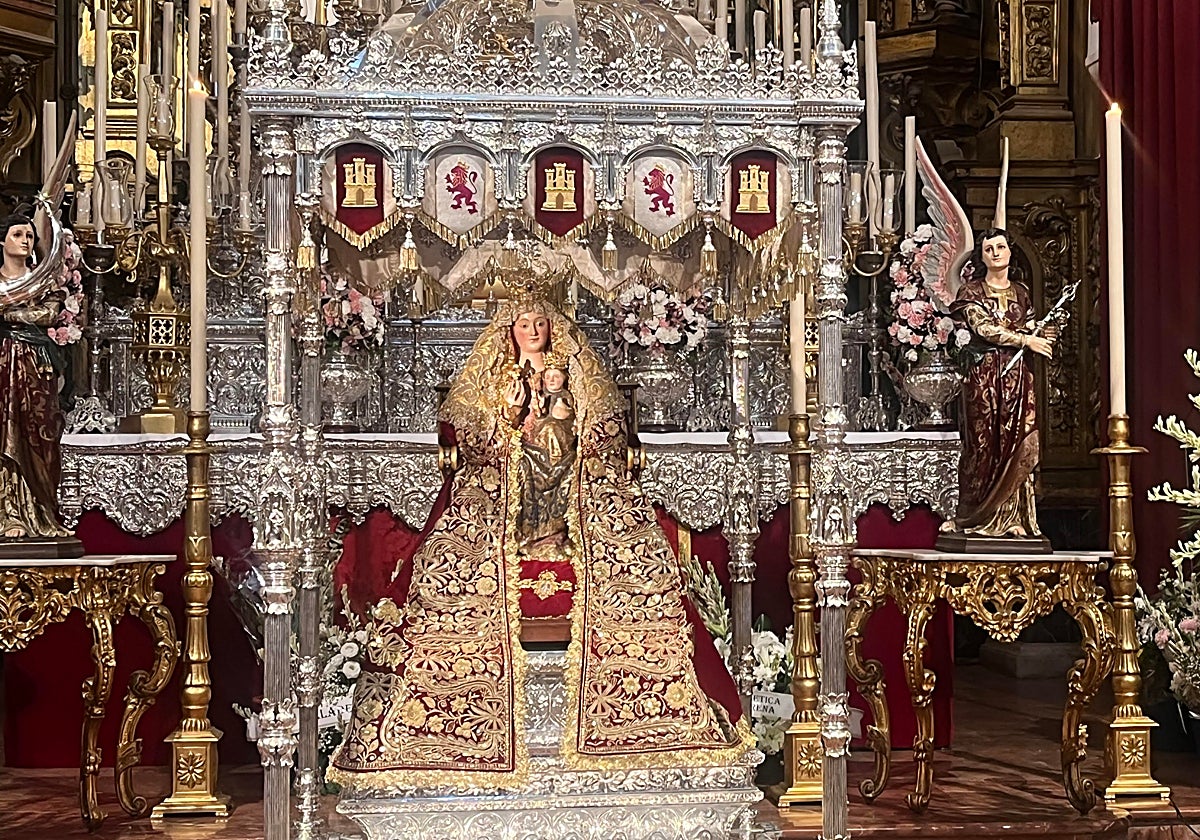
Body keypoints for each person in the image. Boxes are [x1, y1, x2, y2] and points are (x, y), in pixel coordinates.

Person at [329, 282, 750, 790]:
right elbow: (475, 431)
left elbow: (599, 426)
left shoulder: (571, 370)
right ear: (510, 332)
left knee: (559, 457)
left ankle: (556, 535)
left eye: (540, 324)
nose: (533, 332)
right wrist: (511, 425)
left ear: (553, 329)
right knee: (517, 470)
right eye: (524, 325)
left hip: (569, 469)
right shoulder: (496, 374)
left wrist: (564, 429)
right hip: (506, 476)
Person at [942, 228, 1055, 543]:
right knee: (984, 443)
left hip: (1017, 376)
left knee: (1017, 438)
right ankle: (978, 513)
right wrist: (1025, 339)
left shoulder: (1020, 291)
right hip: (985, 377)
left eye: (1001, 247)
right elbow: (983, 328)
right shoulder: (971, 292)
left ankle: (1015, 516)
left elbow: (1030, 322)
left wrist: (1044, 334)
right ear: (981, 255)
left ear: (1010, 252)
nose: (995, 253)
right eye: (989, 248)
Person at [0, 211, 74, 543]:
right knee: (5, 432)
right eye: (18, 234)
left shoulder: (43, 278)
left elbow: (49, 313)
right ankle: (8, 513)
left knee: (40, 433)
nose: (25, 240)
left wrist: (9, 311)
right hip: (3, 362)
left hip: (35, 364)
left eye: (29, 235)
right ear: (2, 241)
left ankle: (41, 510)